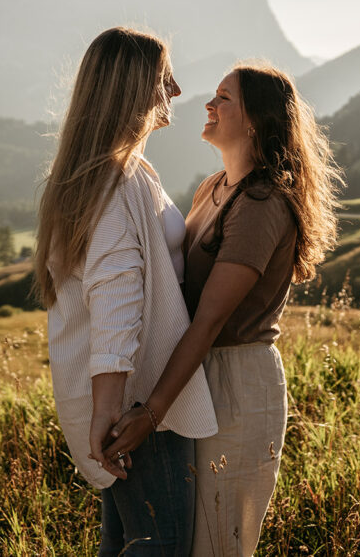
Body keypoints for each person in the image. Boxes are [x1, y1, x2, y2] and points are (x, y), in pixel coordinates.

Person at [100, 62, 343, 556]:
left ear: (255, 119)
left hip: (236, 380)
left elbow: (209, 319)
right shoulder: (214, 187)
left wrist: (152, 411)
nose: (208, 105)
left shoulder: (262, 201)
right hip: (194, 373)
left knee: (218, 543)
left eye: (223, 98)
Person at [34, 27, 217, 556]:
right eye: (164, 78)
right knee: (161, 545)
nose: (177, 90)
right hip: (140, 402)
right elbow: (117, 296)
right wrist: (110, 410)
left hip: (124, 397)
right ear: (131, 89)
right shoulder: (119, 180)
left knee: (125, 542)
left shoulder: (97, 175)